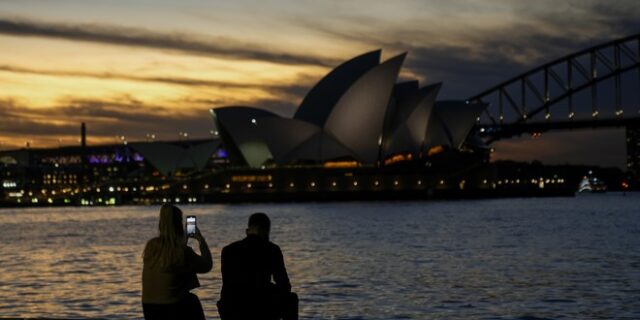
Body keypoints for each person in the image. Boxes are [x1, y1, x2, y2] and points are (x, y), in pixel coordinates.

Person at [218, 212, 298, 320]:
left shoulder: (228, 250)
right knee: (291, 298)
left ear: (249, 229)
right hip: (261, 307)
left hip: (231, 308)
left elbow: (227, 283)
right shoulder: (272, 249)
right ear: (265, 230)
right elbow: (284, 285)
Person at [142, 204, 213, 320]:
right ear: (179, 224)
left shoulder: (151, 246)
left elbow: (173, 259)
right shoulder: (183, 252)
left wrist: (184, 239)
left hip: (149, 308)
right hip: (172, 308)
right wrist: (201, 239)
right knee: (192, 299)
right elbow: (207, 266)